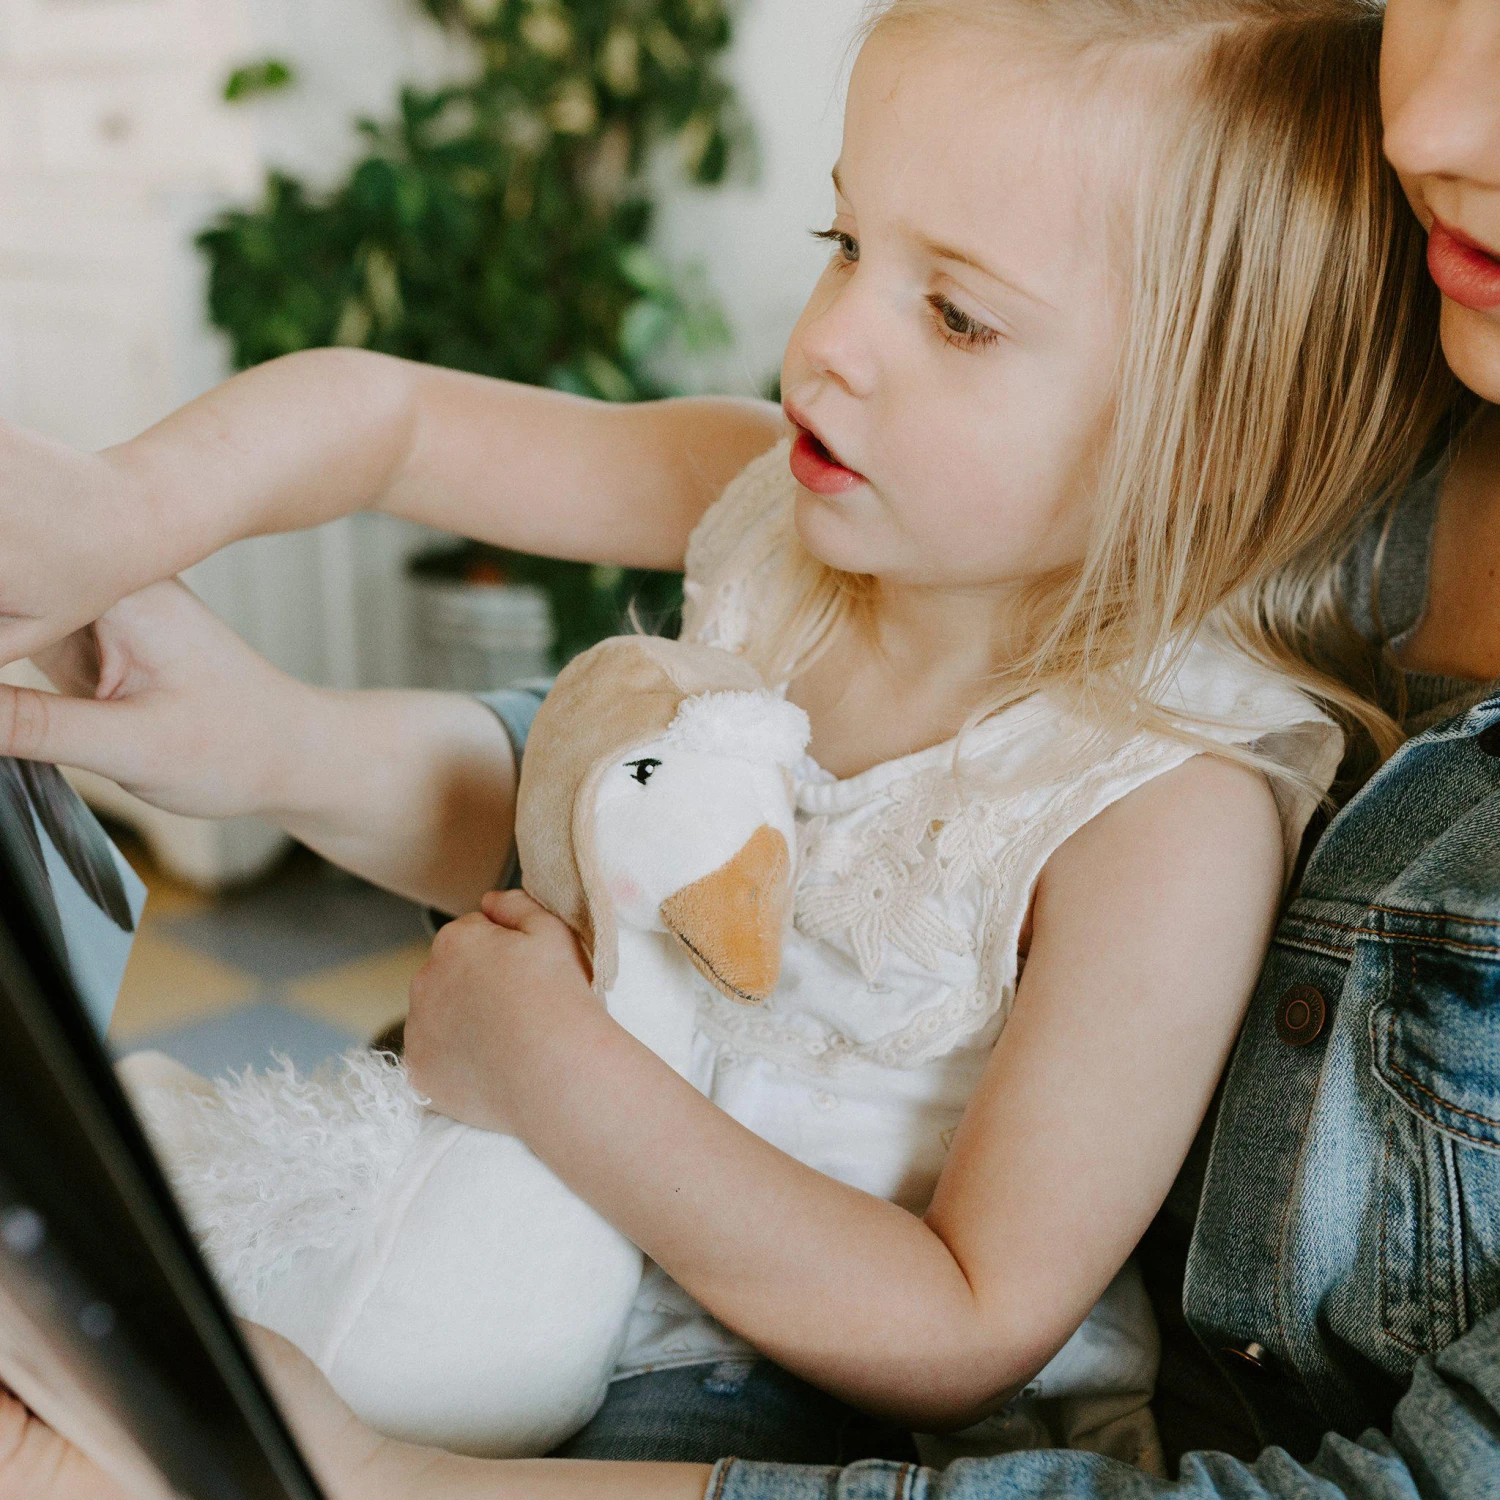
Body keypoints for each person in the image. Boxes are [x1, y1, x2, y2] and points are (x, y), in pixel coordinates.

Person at [0, 5, 1491, 1500]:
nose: (827, 342)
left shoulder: (1167, 805)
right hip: (530, 1223)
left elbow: (967, 1323)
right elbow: (395, 424)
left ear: (1213, 430)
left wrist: (565, 1085)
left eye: (957, 316)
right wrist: (131, 512)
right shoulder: (773, 515)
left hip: (791, 1403)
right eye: (845, 244)